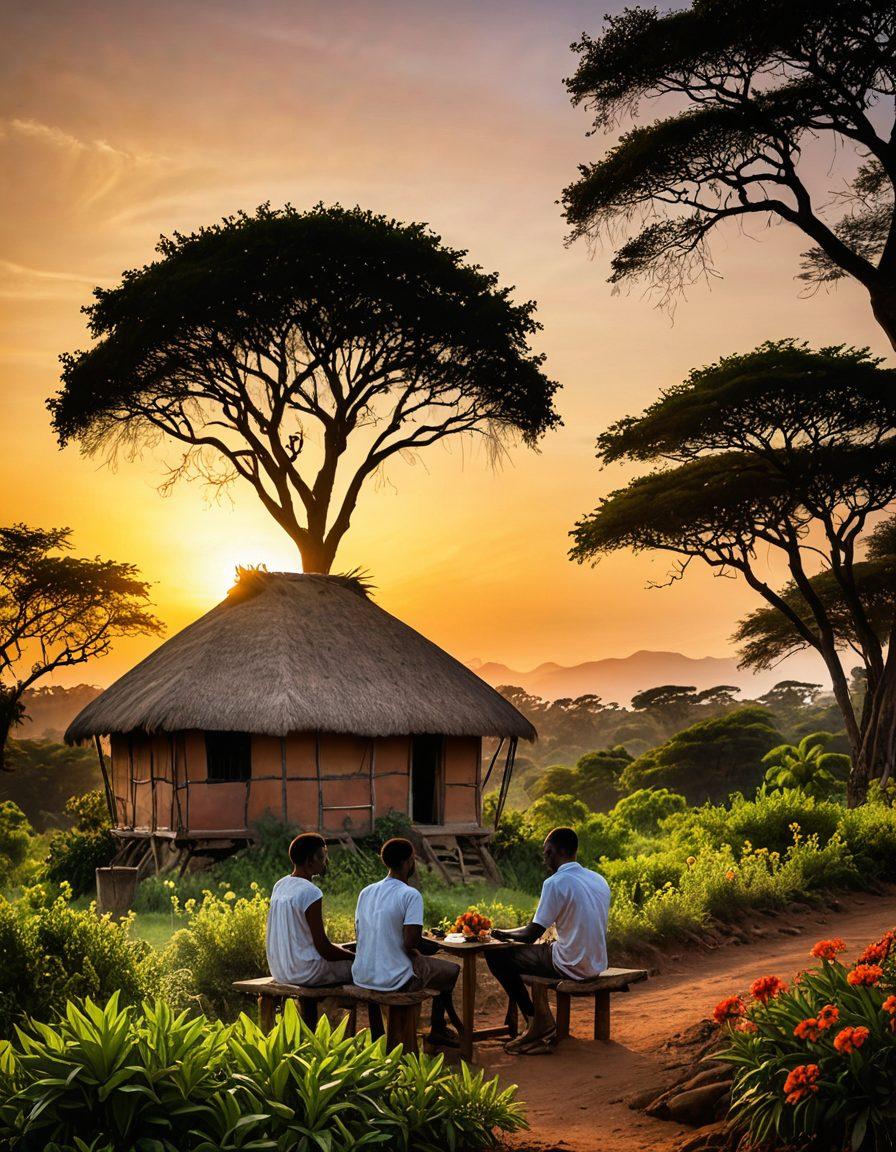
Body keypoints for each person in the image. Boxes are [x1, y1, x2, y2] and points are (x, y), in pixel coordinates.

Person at [488, 826, 611, 1054]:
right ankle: (534, 1021)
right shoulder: (598, 879)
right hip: (596, 963)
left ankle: (536, 1019)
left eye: (547, 853)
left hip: (570, 964)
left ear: (556, 851)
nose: (545, 859)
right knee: (540, 949)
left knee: (495, 955)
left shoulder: (555, 882)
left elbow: (530, 935)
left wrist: (501, 934)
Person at [352, 836, 462, 1047]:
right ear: (408, 861)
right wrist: (435, 946)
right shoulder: (410, 894)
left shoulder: (366, 892)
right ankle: (438, 1028)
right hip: (394, 979)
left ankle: (379, 1036)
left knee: (430, 966)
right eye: (413, 860)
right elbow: (410, 942)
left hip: (362, 974)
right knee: (451, 970)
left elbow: (362, 933)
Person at [265, 832, 356, 987]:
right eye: (322, 856)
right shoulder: (310, 892)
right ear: (310, 860)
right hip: (307, 972)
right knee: (366, 968)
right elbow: (324, 949)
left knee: (346, 947)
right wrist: (356, 957)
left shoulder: (280, 885)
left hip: (280, 971)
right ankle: (371, 1010)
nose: (326, 861)